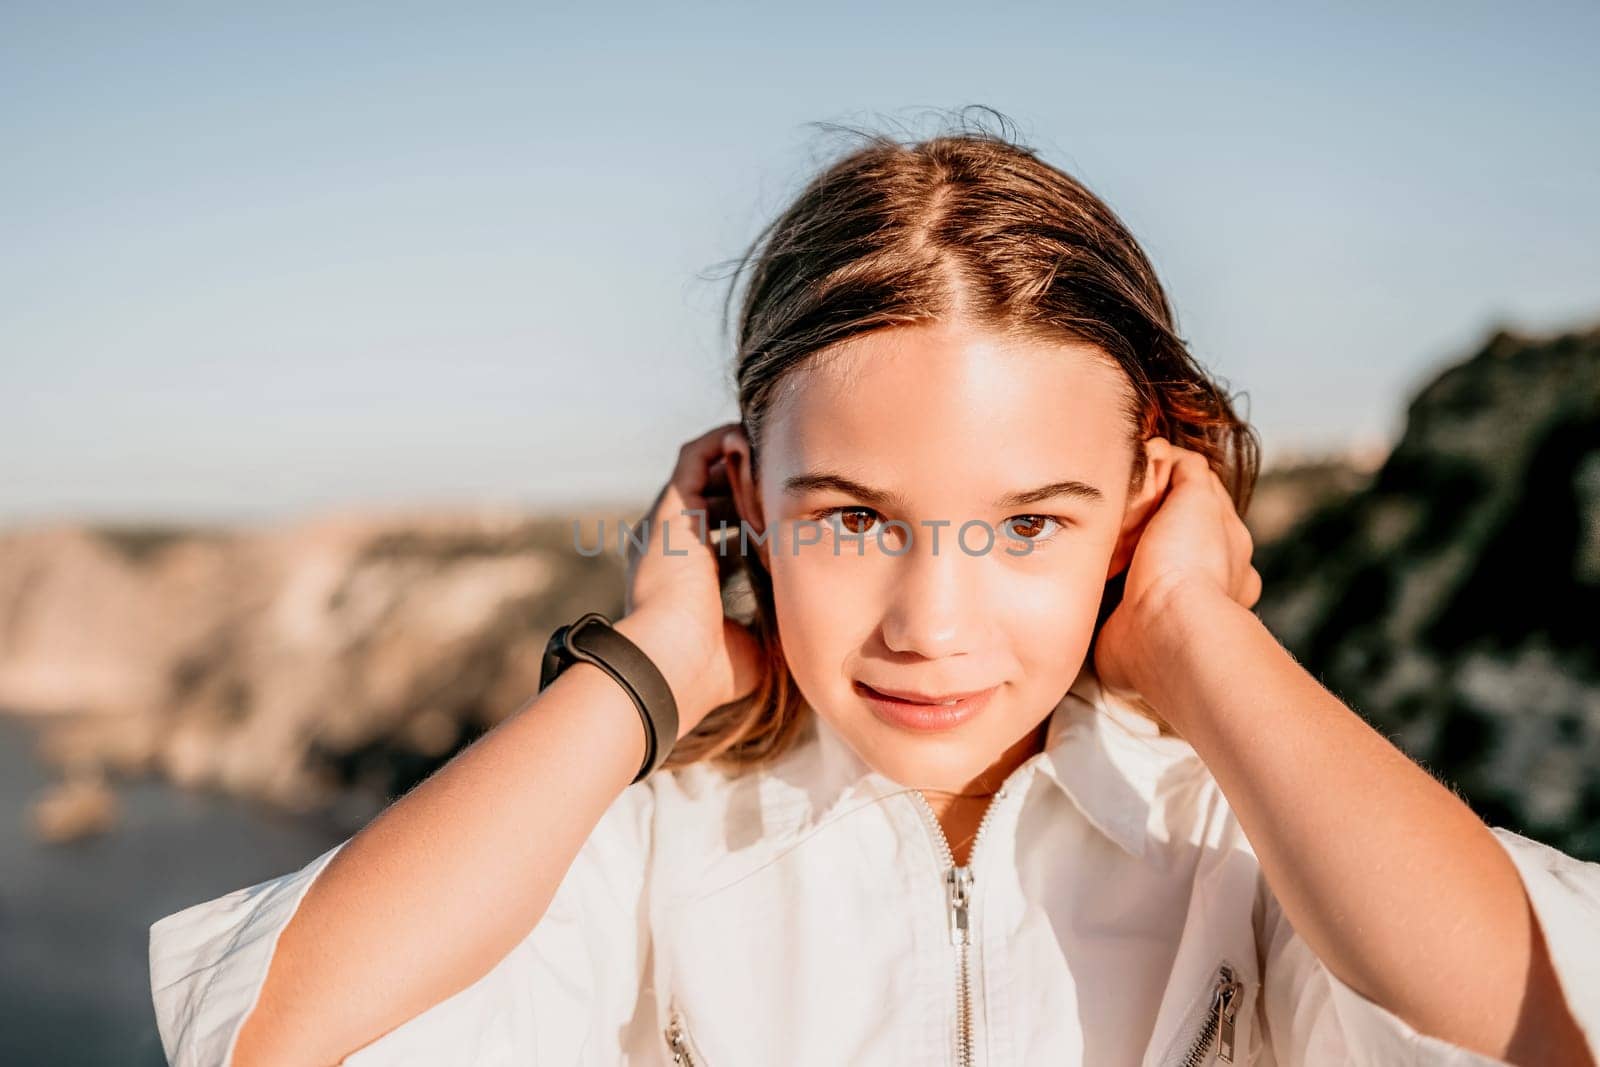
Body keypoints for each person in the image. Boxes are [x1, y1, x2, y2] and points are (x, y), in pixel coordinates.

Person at [148, 111, 1600, 1067]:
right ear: (741, 503)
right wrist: (651, 674)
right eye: (850, 519)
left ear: (1147, 502)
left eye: (1029, 523)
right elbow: (273, 1044)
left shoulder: (1246, 835)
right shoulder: (641, 847)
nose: (931, 623)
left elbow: (1543, 1031)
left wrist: (1203, 642)